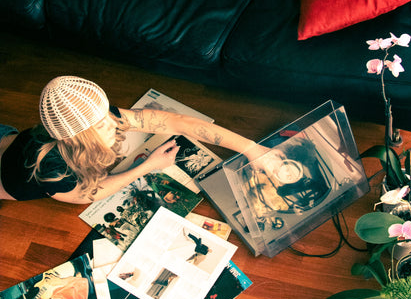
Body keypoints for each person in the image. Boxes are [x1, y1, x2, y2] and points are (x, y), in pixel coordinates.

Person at [0, 75, 266, 203]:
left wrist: (251, 148)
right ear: (75, 139)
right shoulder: (53, 168)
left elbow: (178, 122)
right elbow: (87, 194)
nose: (113, 122)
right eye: (99, 125)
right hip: (7, 183)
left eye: (106, 113)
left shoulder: (95, 120)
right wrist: (147, 166)